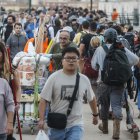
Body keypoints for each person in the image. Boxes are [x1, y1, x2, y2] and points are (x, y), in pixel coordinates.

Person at [38, 47, 98, 140]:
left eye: (74, 58)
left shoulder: (84, 79)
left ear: (78, 61)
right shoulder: (53, 78)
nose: (71, 61)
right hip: (56, 125)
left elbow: (92, 98)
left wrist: (95, 115)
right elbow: (43, 99)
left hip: (76, 124)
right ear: (62, 61)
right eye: (68, 58)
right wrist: (41, 119)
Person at [91, 28, 139, 139]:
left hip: (103, 83)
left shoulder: (99, 49)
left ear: (105, 38)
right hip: (119, 84)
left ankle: (105, 127)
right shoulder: (122, 49)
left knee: (104, 105)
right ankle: (116, 132)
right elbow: (135, 60)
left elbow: (94, 66)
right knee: (116, 105)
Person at [0, 42, 21, 140]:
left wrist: (18, 101)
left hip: (9, 106)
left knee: (7, 133)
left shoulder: (11, 70)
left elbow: (18, 87)